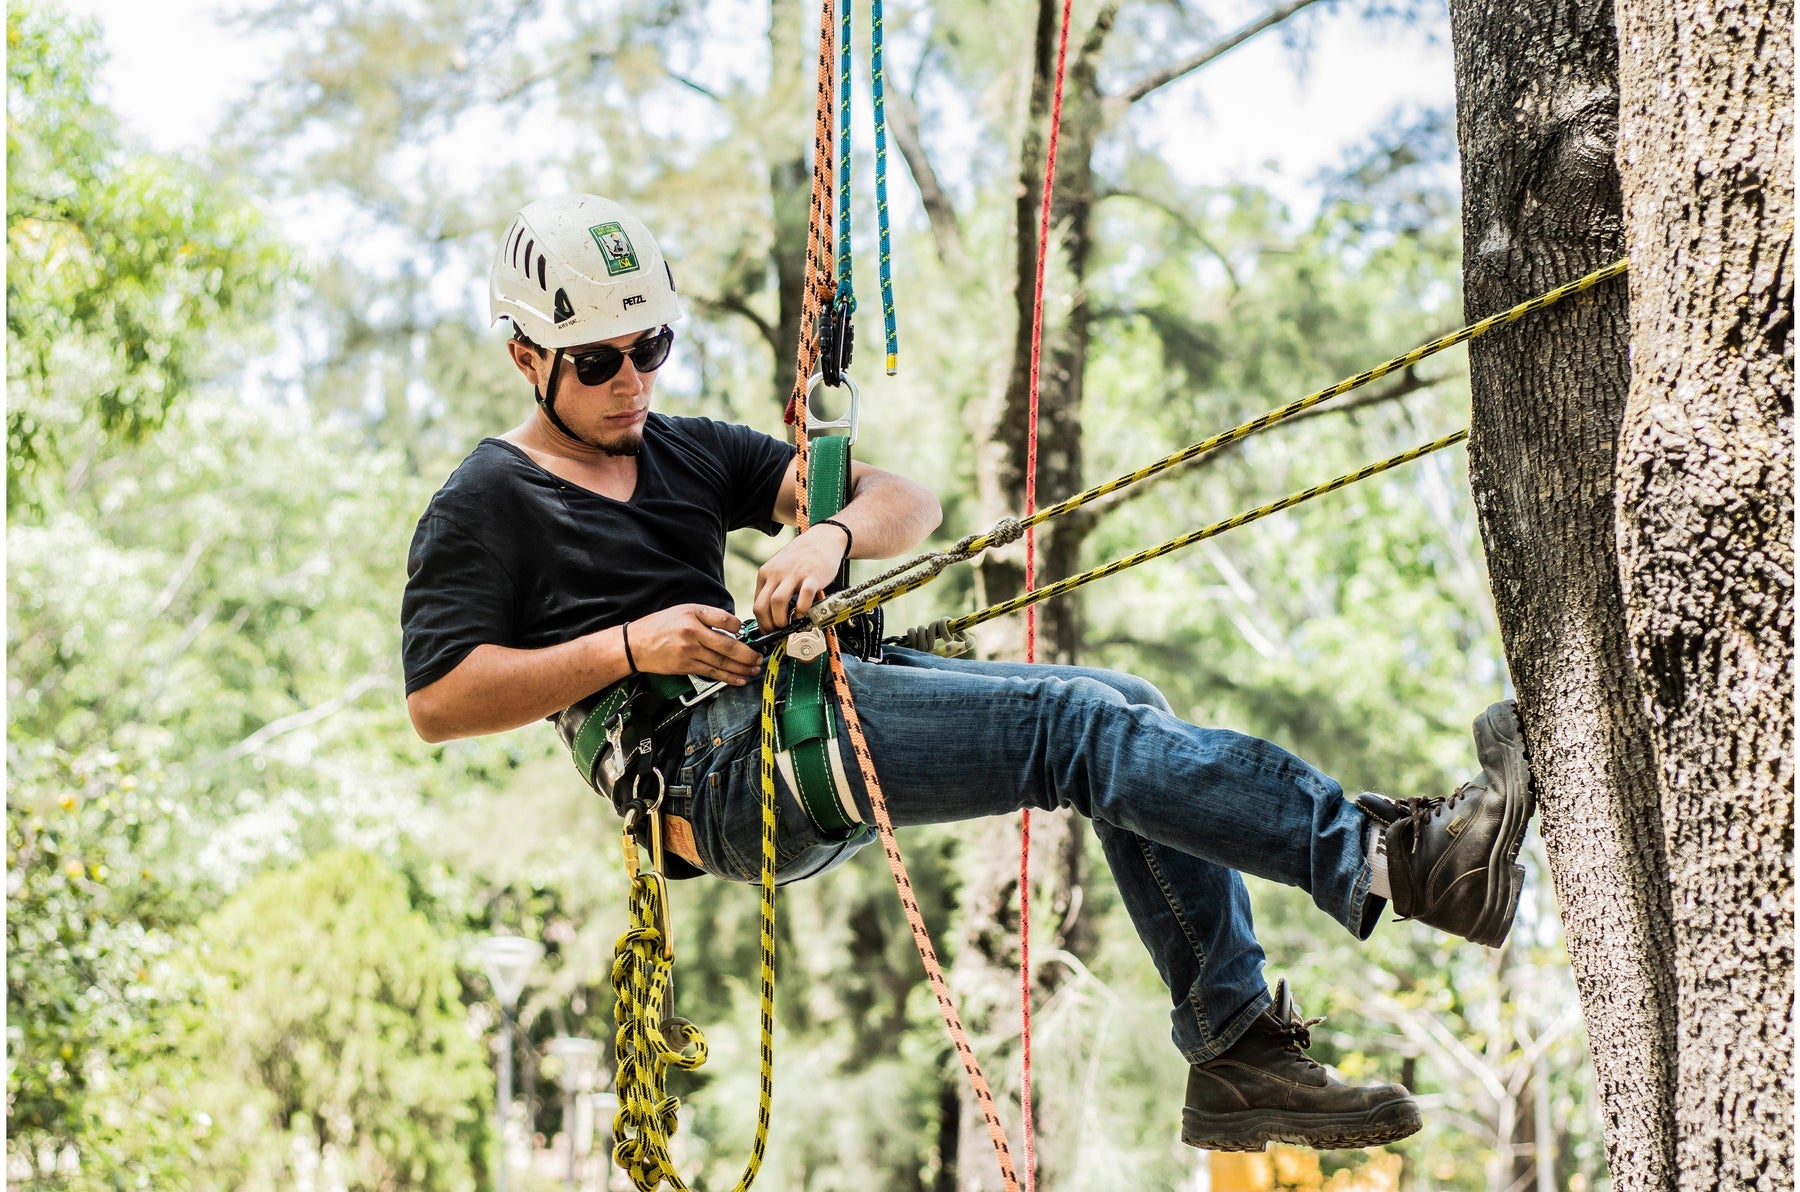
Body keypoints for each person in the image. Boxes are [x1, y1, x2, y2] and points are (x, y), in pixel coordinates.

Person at [401, 193, 1537, 1154]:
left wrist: (829, 536)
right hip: (707, 776)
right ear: (523, 355)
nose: (631, 383)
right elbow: (439, 702)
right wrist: (631, 649)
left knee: (1119, 708)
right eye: (598, 361)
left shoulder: (687, 449)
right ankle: (1397, 863)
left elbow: (907, 498)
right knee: (1076, 732)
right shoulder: (491, 499)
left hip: (782, 724)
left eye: (652, 349)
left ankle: (1237, 1054)